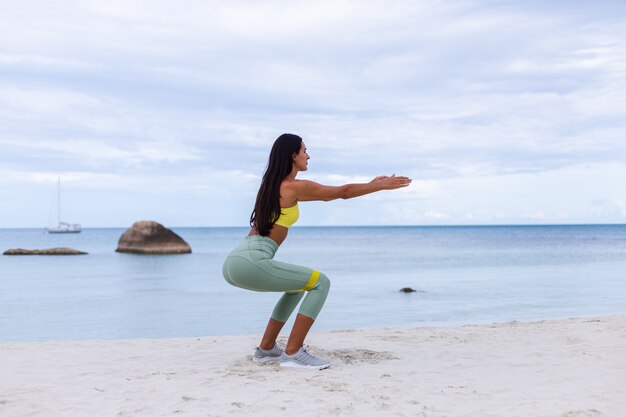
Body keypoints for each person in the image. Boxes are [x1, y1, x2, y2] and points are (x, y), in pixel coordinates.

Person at [222, 133, 412, 369]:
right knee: (320, 282)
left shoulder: (271, 186)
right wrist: (378, 186)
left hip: (236, 260)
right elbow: (342, 192)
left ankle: (267, 349)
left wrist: (372, 183)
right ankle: (293, 352)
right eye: (304, 150)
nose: (308, 155)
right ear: (293, 155)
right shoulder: (293, 187)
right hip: (251, 261)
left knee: (296, 287)